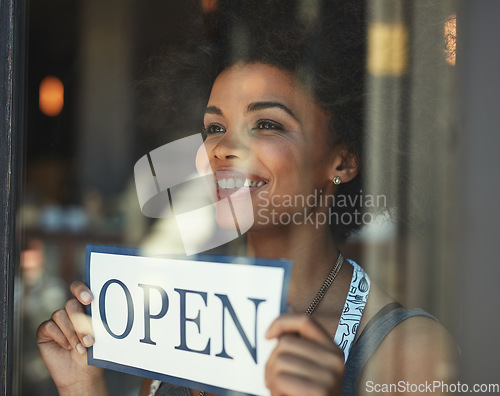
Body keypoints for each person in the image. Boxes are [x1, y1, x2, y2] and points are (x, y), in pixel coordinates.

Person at [36, 1, 457, 395]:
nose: (222, 149)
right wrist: (82, 387)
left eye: (267, 124)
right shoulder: (177, 318)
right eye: (215, 127)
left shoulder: (409, 350)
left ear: (343, 161)